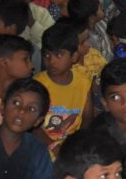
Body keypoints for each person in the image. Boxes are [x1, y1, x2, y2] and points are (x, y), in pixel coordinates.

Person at [34, 21, 94, 157]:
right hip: (44, 148)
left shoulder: (83, 82)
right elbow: (33, 126)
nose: (51, 61)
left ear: (73, 57)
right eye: (46, 54)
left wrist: (76, 145)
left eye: (59, 55)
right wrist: (54, 146)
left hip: (72, 148)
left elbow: (87, 119)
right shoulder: (38, 84)